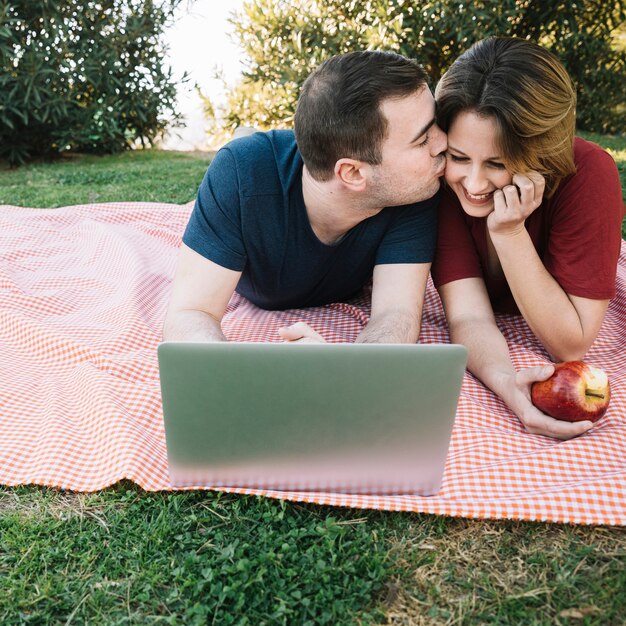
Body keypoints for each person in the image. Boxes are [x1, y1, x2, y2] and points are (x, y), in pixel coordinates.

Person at [163, 50, 447, 344]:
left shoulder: (415, 187)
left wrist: (341, 370)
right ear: (352, 173)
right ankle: (245, 134)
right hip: (259, 182)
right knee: (243, 153)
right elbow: (191, 313)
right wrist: (234, 376)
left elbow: (396, 316)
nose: (443, 142)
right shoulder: (239, 174)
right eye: (423, 139)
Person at [431, 37, 625, 440]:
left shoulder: (589, 175)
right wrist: (509, 386)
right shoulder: (442, 186)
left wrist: (509, 232)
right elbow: (469, 316)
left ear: (539, 155)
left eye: (497, 163)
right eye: (460, 157)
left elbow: (569, 344)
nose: (474, 183)